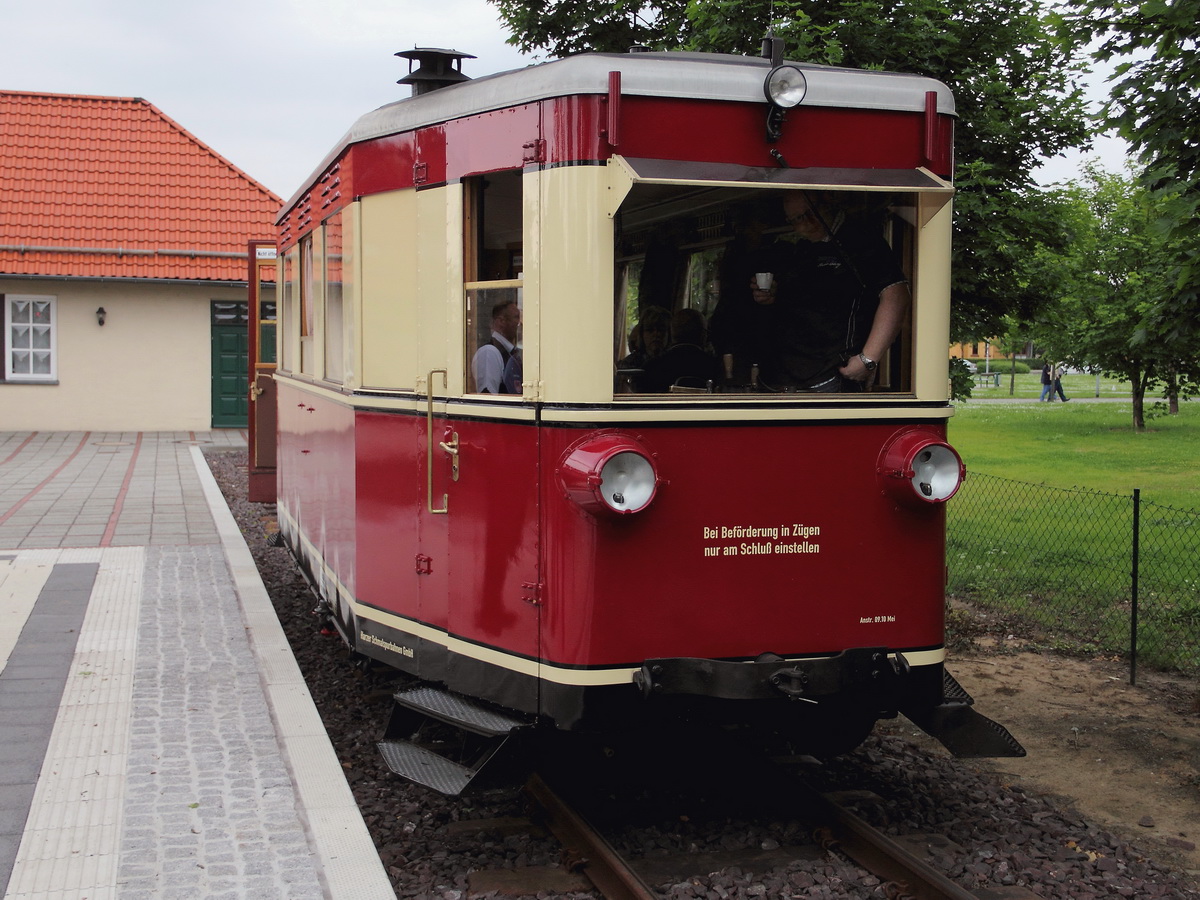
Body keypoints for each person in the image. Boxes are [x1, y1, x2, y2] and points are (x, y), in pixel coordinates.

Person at [711, 191, 910, 392]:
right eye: (797, 218)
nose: (807, 222)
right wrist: (772, 295)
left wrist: (868, 359)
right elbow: (800, 300)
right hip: (783, 376)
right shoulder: (802, 249)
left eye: (810, 211)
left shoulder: (860, 241)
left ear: (828, 201)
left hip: (829, 375)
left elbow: (896, 294)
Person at [640, 308, 722, 392]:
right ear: (703, 334)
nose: (656, 334)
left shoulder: (651, 367)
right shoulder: (716, 367)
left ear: (672, 332)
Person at [471, 299, 521, 394]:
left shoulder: (509, 353)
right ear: (501, 321)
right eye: (516, 318)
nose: (520, 324)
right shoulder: (489, 353)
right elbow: (488, 397)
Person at [616, 306, 670, 391]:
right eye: (650, 330)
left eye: (661, 329)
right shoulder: (628, 364)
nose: (656, 334)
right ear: (642, 334)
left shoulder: (674, 361)